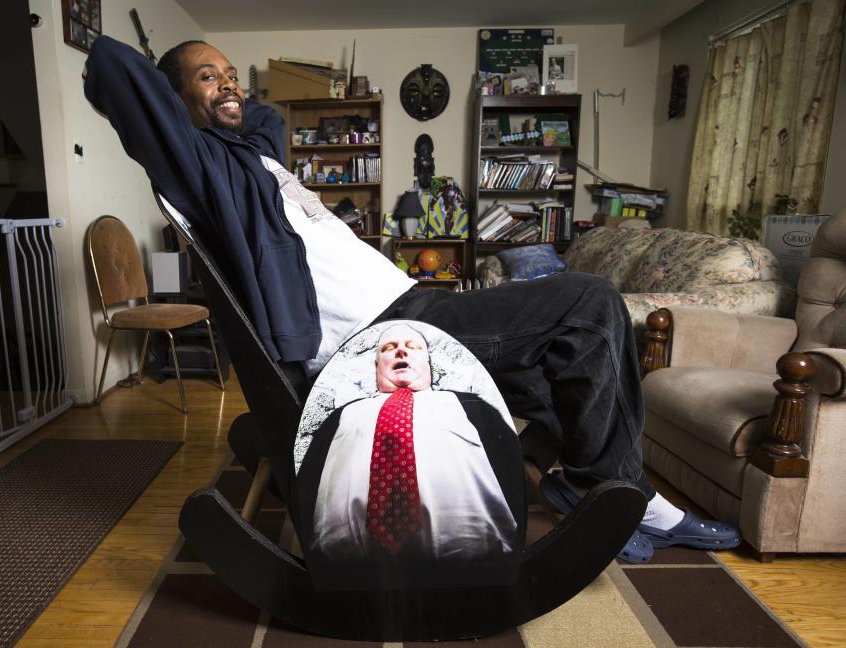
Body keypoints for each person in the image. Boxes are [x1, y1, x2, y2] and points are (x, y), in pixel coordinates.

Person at [83, 35, 742, 563]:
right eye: (206, 76)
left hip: (413, 303)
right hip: (385, 332)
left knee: (564, 347)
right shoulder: (200, 168)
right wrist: (178, 91)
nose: (228, 82)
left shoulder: (251, 156)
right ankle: (622, 493)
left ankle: (592, 480)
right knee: (591, 305)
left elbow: (262, 116)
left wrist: (217, 93)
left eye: (230, 72)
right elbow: (113, 65)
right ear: (172, 105)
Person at [299, 323, 522, 568]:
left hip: (474, 560)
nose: (401, 352)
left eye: (412, 347)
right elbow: (309, 473)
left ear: (428, 363)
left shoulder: (470, 405)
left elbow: (507, 460)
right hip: (349, 565)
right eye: (388, 348)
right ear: (376, 365)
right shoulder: (342, 414)